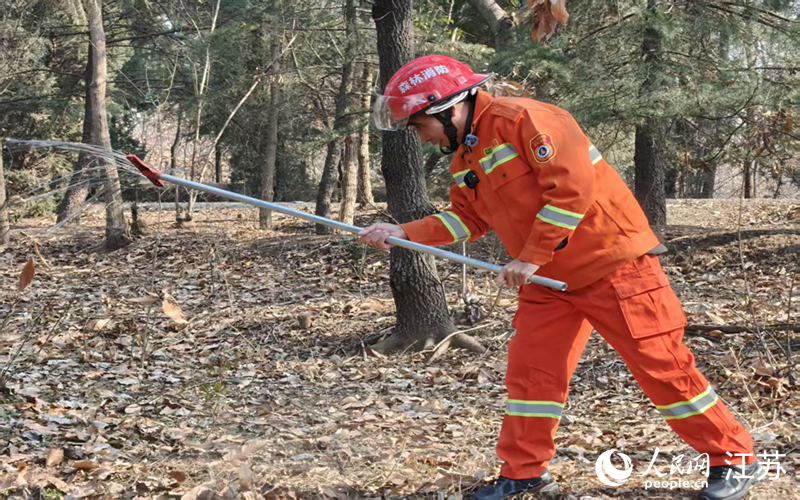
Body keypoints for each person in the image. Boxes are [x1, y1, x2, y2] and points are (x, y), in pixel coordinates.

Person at [359, 55, 763, 500]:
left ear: (448, 108)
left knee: (662, 368)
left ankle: (735, 458)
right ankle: (523, 472)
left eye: (419, 125)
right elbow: (468, 220)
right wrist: (404, 232)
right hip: (548, 283)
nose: (419, 136)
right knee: (532, 377)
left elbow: (572, 190)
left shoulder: (527, 119)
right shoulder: (465, 155)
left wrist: (530, 258)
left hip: (613, 266)